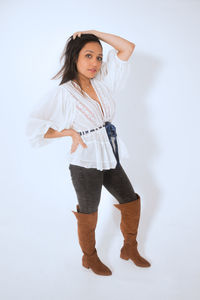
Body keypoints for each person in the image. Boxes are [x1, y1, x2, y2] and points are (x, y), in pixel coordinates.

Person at [26, 30, 151, 276]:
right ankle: (89, 257)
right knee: (89, 212)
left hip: (108, 152)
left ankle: (129, 247)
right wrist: (68, 132)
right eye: (88, 56)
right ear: (75, 58)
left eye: (99, 57)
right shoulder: (63, 93)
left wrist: (93, 31)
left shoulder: (102, 83)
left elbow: (128, 48)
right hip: (84, 160)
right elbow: (33, 126)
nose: (95, 63)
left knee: (130, 200)